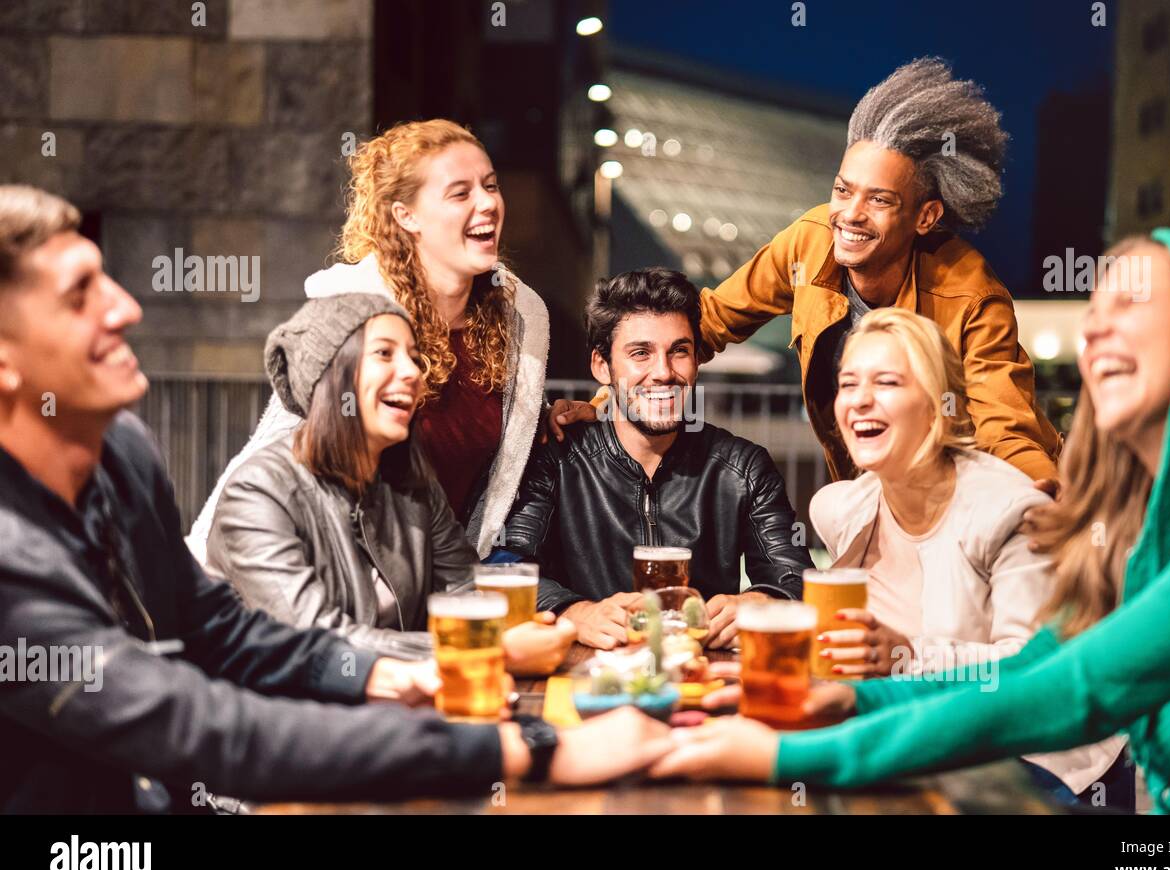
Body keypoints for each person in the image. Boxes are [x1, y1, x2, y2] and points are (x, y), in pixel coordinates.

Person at [0, 184, 670, 814]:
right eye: (79, 294)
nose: (126, 306)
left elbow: (214, 628)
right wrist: (517, 747)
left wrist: (374, 675)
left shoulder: (123, 451)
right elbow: (194, 724)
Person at [650, 230, 1170, 815]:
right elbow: (1045, 661)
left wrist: (781, 759)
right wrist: (855, 701)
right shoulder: (1161, 512)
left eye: (1129, 304)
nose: (1095, 329)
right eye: (1093, 312)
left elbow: (1077, 687)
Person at [548, 58, 1061, 494]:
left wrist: (1039, 494)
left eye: (879, 200)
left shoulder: (971, 293)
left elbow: (1005, 428)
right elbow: (705, 323)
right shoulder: (810, 241)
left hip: (963, 491)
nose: (850, 214)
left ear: (925, 217)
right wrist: (607, 403)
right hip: (866, 489)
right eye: (843, 189)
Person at [709, 306, 1127, 806]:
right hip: (920, 728)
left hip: (1035, 761)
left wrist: (905, 654)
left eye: (886, 382)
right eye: (848, 384)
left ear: (937, 404)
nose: (860, 401)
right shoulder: (845, 509)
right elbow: (850, 640)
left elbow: (1032, 670)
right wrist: (774, 612)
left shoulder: (1008, 510)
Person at [188, 118, 549, 562]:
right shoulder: (355, 312)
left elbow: (502, 432)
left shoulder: (521, 317)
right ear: (406, 215)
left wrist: (552, 416)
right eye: (461, 193)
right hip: (341, 577)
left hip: (447, 580)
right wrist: (198, 574)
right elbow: (278, 447)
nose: (488, 203)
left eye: (491, 186)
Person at [205, 293, 574, 674]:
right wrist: (484, 649)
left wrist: (534, 623)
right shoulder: (259, 490)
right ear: (331, 375)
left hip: (392, 707)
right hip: (282, 719)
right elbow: (314, 639)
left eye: (415, 357)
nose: (414, 373)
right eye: (385, 354)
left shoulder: (412, 484)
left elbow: (464, 590)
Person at [498, 268, 814, 650]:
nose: (663, 373)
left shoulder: (743, 467)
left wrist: (760, 603)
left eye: (679, 351)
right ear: (602, 366)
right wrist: (574, 611)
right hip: (585, 681)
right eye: (640, 353)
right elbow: (505, 568)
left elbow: (797, 577)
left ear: (697, 359)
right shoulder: (557, 458)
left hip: (701, 680)